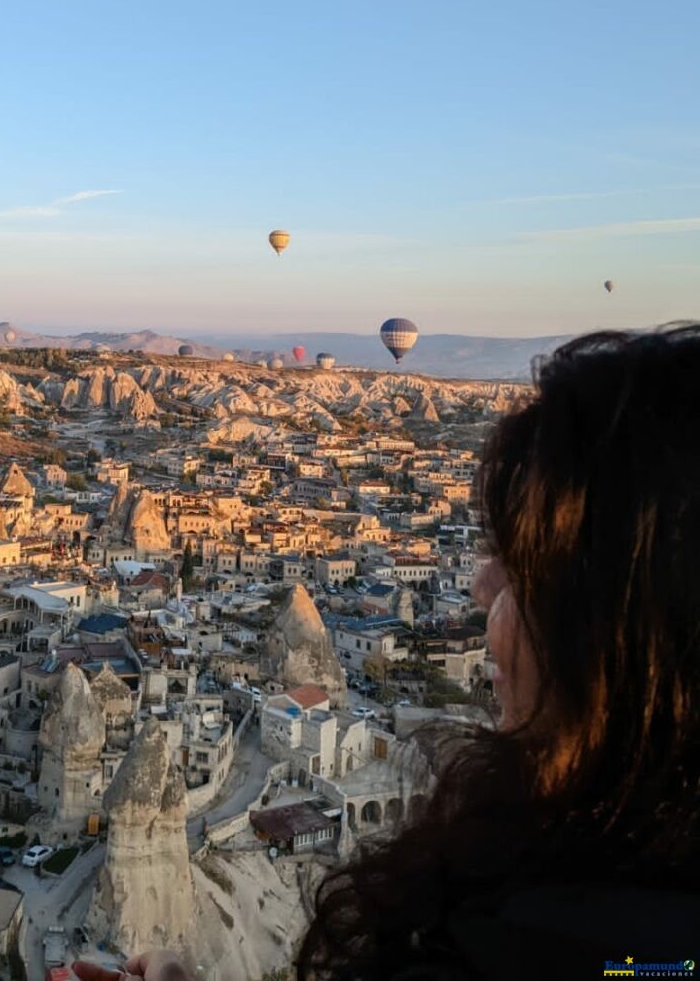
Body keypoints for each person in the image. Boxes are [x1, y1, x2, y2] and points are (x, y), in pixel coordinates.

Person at [76, 328, 700, 980]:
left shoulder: (524, 941)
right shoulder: (632, 922)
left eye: (519, 564)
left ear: (621, 627)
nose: (481, 586)